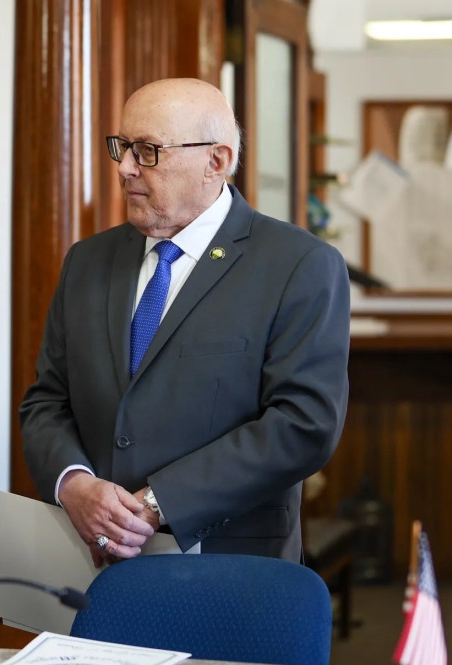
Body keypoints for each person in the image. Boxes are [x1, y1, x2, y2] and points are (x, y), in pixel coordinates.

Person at [19, 78, 350, 566]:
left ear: (215, 162)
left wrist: (156, 503)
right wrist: (74, 484)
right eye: (123, 146)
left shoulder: (298, 265)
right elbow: (47, 399)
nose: (126, 167)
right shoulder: (88, 261)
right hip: (91, 565)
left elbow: (304, 424)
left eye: (148, 150)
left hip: (228, 569)